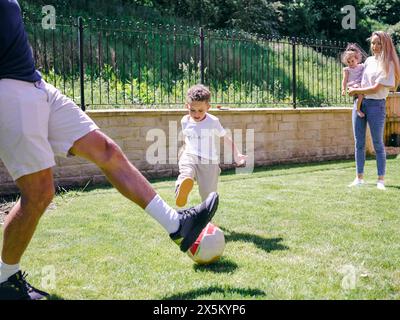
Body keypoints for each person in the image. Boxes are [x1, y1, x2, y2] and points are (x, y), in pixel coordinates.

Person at [0, 0, 218, 300]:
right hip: (8, 91)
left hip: (35, 84)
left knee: (107, 151)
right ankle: (4, 278)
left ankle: (178, 225)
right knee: (38, 192)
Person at [175, 84, 247, 207]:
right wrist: (184, 151)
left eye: (200, 110)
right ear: (187, 106)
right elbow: (188, 137)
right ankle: (180, 189)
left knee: (208, 196)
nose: (196, 114)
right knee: (186, 171)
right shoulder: (185, 120)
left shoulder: (213, 122)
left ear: (208, 107)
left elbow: (225, 138)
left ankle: (206, 217)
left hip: (209, 161)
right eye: (192, 110)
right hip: (190, 155)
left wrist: (237, 154)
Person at [348, 31, 400, 190]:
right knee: (359, 143)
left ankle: (381, 180)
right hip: (360, 103)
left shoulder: (389, 64)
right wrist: (353, 86)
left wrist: (357, 91)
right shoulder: (369, 61)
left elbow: (377, 88)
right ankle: (359, 178)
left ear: (386, 45)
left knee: (378, 143)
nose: (375, 47)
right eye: (373, 43)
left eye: (379, 43)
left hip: (377, 105)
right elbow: (360, 79)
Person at [341, 44, 365, 118]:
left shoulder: (361, 66)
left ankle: (359, 107)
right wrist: (343, 89)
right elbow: (344, 80)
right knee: (360, 94)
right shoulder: (347, 70)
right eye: (348, 62)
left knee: (362, 94)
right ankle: (358, 110)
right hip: (353, 85)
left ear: (357, 59)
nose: (351, 63)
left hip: (360, 84)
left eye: (352, 61)